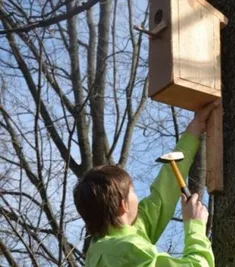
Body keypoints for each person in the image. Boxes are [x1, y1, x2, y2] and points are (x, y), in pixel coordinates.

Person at [73, 100, 220, 267]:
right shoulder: (125, 251)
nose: (138, 197)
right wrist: (195, 227)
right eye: (133, 192)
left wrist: (194, 131)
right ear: (123, 206)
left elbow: (163, 195)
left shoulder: (109, 244)